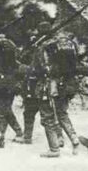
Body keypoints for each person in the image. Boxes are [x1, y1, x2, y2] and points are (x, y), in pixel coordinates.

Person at [33, 29, 80, 157]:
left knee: (47, 116)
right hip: (67, 85)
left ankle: (54, 149)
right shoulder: (70, 44)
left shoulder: (44, 46)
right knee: (62, 114)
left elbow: (40, 69)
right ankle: (74, 140)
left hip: (49, 86)